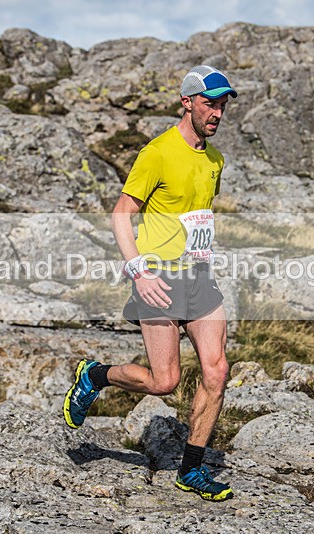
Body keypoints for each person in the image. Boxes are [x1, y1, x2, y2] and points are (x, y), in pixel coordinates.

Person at [63, 65, 237, 502]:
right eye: (209, 103)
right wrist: (138, 269)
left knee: (216, 371)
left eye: (222, 105)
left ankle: (191, 471)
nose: (216, 113)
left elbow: (196, 215)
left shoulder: (215, 160)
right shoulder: (157, 153)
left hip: (198, 278)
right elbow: (122, 213)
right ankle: (94, 375)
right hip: (157, 279)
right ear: (187, 103)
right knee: (164, 382)